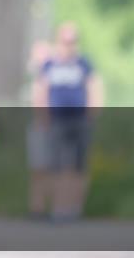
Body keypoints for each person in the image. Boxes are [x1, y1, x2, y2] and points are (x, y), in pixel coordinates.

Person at [28, 22, 104, 222]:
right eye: (65, 41)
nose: (69, 45)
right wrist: (42, 116)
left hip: (80, 120)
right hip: (56, 120)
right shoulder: (50, 65)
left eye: (73, 41)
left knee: (79, 166)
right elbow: (40, 90)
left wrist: (93, 113)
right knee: (57, 166)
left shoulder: (83, 63)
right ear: (58, 41)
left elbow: (94, 87)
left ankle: (74, 209)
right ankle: (58, 209)